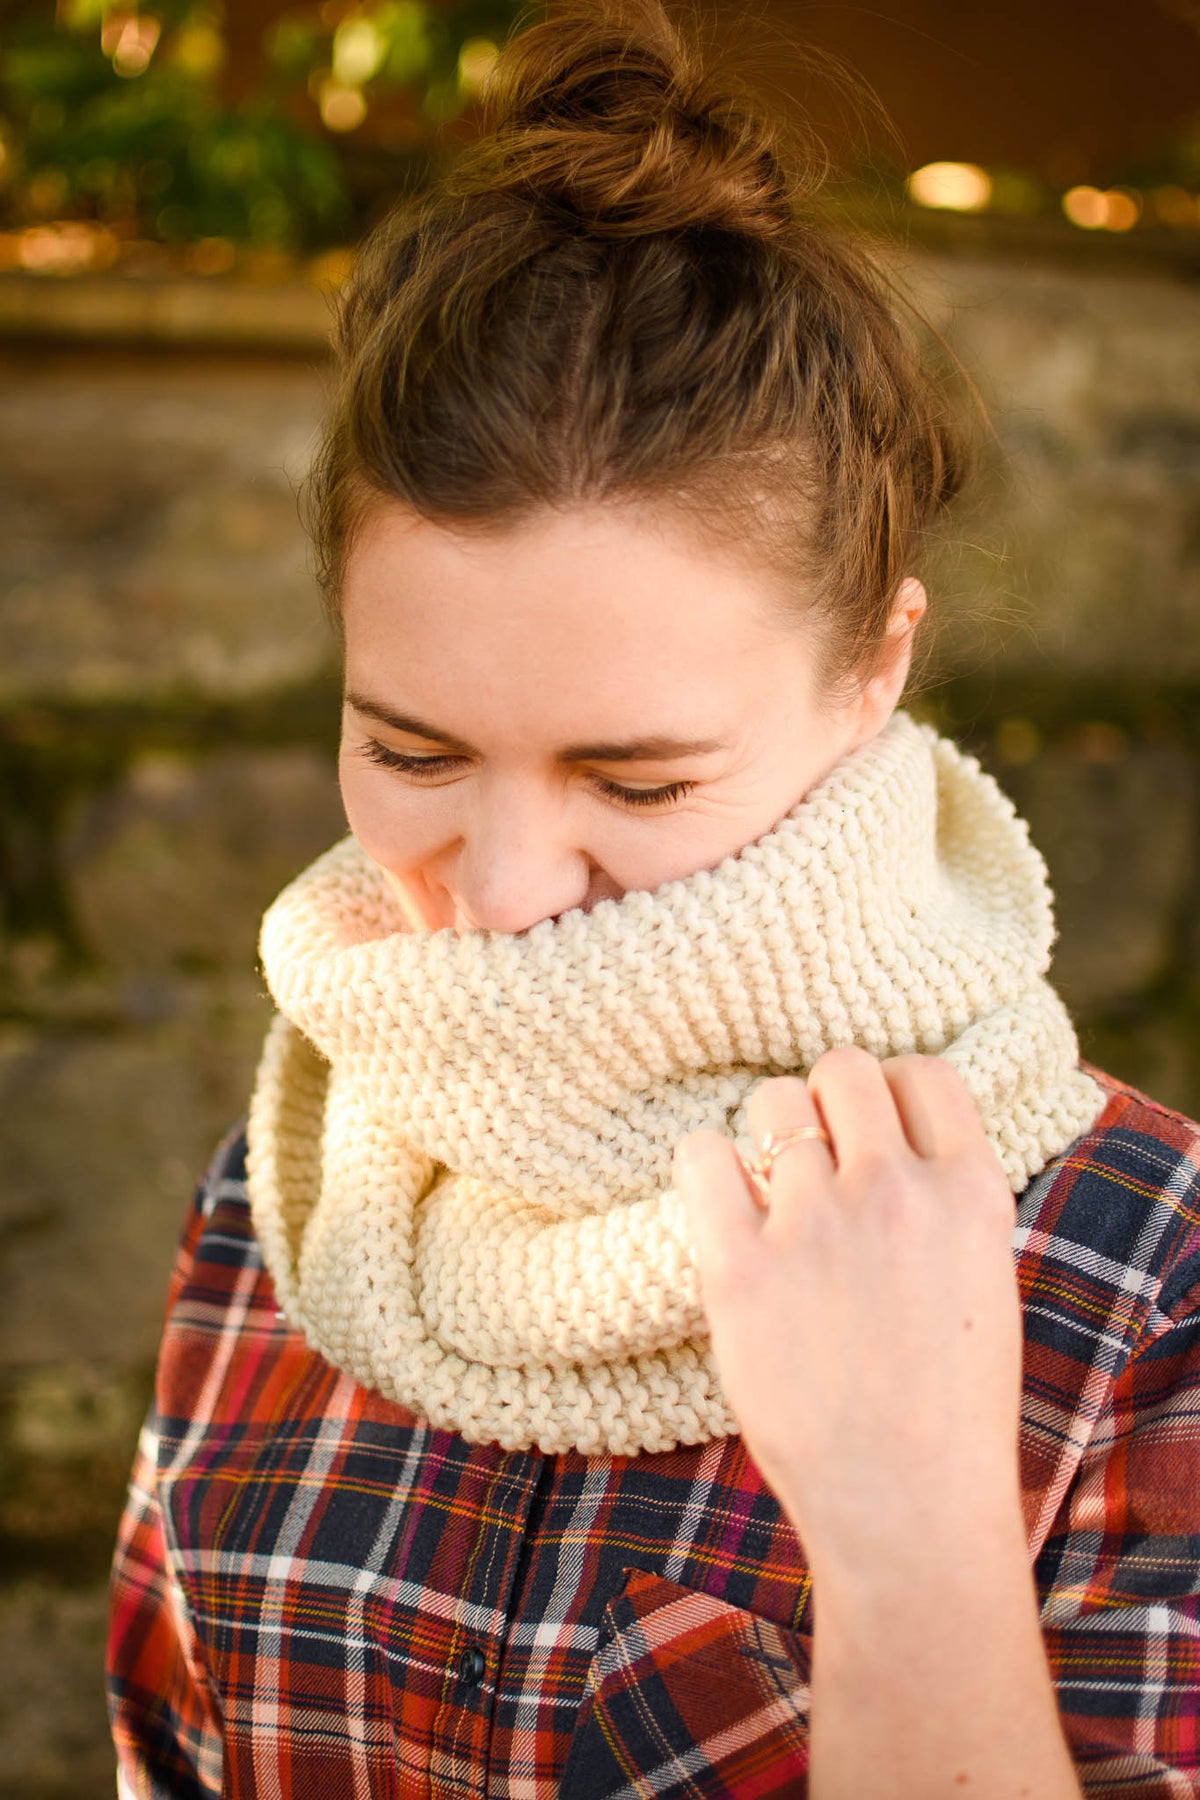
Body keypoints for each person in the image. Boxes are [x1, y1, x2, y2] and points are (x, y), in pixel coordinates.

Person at [105, 2, 1200, 1795]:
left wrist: (911, 1516)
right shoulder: (292, 1186)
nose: (514, 886)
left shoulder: (1143, 1286)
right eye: (412, 745)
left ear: (877, 672)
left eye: (638, 782)